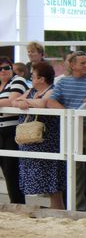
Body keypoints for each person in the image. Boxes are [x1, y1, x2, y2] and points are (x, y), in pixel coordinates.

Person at [47, 51, 86, 213]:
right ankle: (78, 207)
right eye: (83, 63)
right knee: (75, 170)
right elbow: (51, 101)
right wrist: (69, 114)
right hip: (73, 130)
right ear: (72, 65)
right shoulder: (62, 83)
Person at [12, 62, 65, 209]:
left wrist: (26, 102)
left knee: (53, 184)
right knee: (45, 182)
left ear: (42, 79)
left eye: (33, 76)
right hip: (31, 143)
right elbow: (14, 101)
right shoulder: (31, 91)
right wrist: (23, 102)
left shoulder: (51, 91)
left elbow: (43, 103)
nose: (31, 78)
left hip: (48, 142)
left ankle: (58, 211)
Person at [0, 56, 29, 204]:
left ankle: (17, 203)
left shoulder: (17, 80)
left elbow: (12, 100)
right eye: (1, 68)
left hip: (11, 129)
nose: (4, 71)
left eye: (7, 67)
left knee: (11, 170)